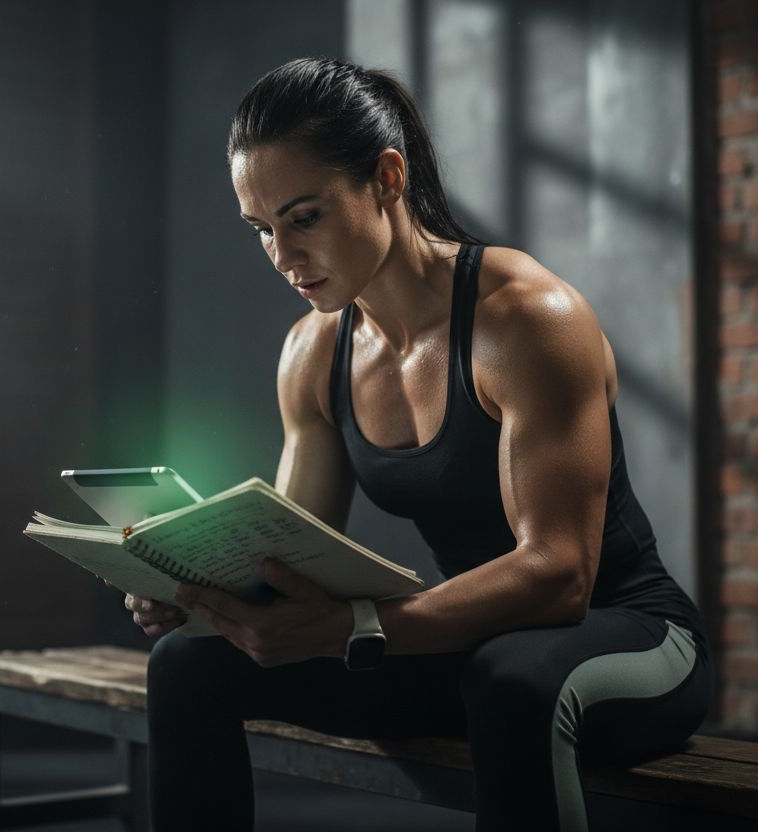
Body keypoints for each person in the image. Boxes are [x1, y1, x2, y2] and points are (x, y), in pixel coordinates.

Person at [118, 56, 713, 831]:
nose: (283, 256)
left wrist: (353, 627)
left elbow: (560, 574)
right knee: (189, 664)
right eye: (262, 229)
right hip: (469, 643)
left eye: (305, 217)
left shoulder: (528, 320)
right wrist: (201, 594)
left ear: (388, 177)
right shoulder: (313, 353)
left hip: (629, 640)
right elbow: (289, 556)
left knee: (513, 680)